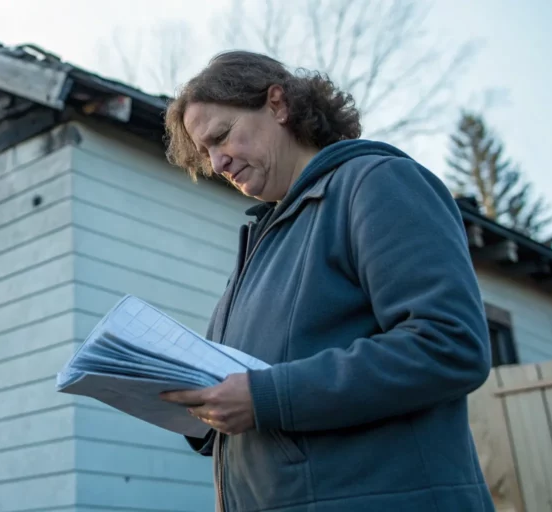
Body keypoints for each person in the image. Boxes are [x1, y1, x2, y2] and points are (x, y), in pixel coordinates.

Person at [157, 50, 495, 512]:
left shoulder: (377, 184)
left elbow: (449, 344)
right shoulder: (259, 248)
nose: (217, 163)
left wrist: (264, 397)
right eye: (205, 152)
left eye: (222, 136)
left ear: (277, 104)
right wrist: (204, 408)